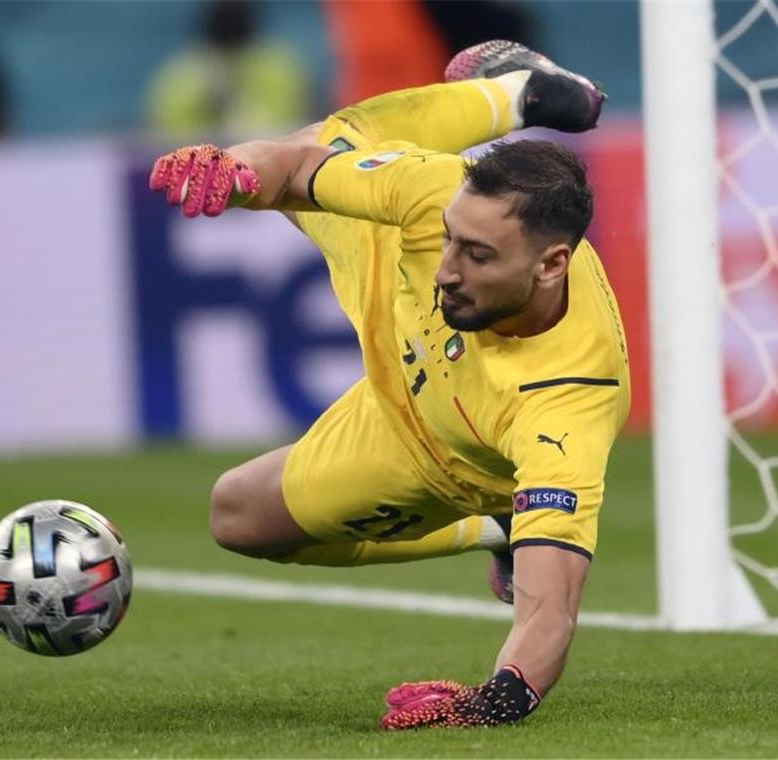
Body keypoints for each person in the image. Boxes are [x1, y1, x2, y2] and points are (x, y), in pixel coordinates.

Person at [149, 41, 630, 730]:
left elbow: (550, 610)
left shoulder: (567, 404)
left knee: (238, 513)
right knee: (334, 139)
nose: (448, 270)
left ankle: (496, 524)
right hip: (384, 268)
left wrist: (491, 701)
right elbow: (288, 169)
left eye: (478, 254)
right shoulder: (434, 199)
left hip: (445, 458)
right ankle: (525, 96)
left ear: (552, 264)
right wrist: (232, 171)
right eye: (454, 240)